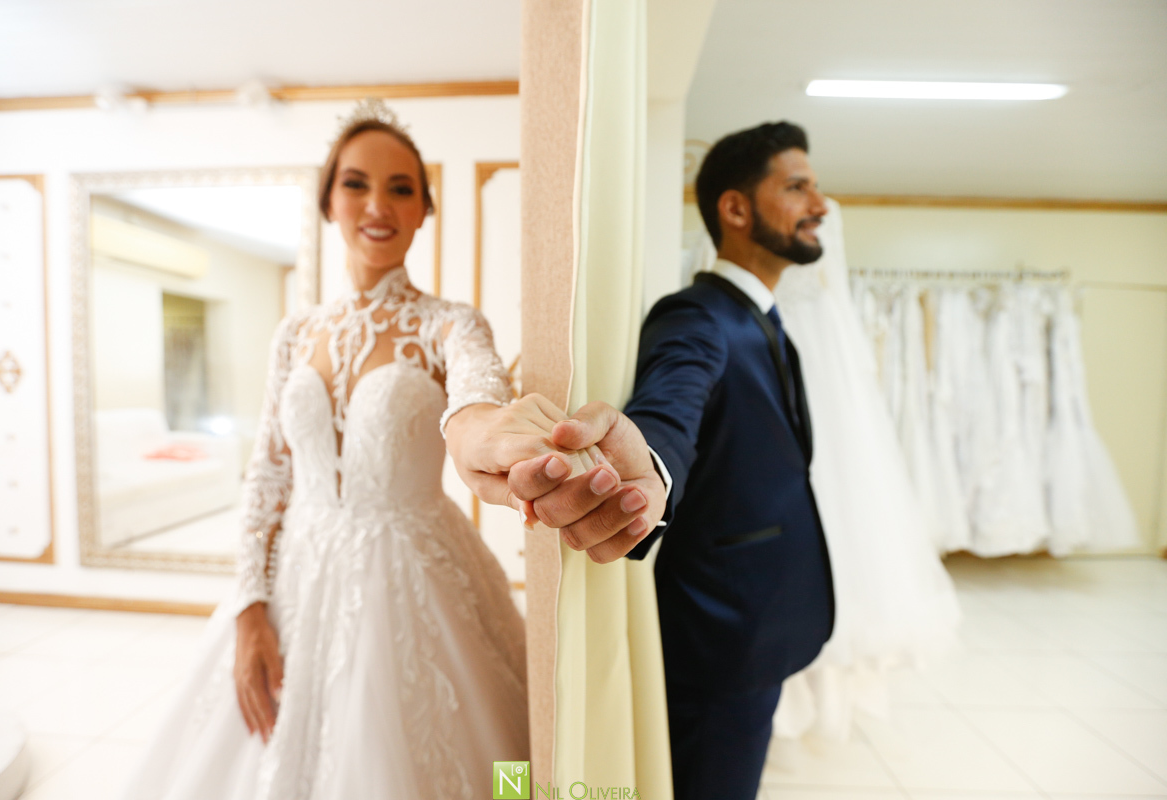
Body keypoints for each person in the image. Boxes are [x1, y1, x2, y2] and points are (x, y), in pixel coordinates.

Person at [119, 100, 534, 800]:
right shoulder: (295, 332)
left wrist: (483, 431)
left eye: (402, 187)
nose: (378, 204)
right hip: (294, 581)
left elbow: (476, 394)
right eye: (356, 183)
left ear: (425, 210)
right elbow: (268, 473)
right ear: (328, 201)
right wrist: (251, 606)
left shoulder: (451, 325)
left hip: (414, 576)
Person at [456, 121, 836, 800]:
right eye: (798, 186)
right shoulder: (697, 318)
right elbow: (668, 412)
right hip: (718, 644)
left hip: (762, 628)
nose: (821, 204)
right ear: (736, 208)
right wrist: (650, 472)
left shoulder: (768, 321)